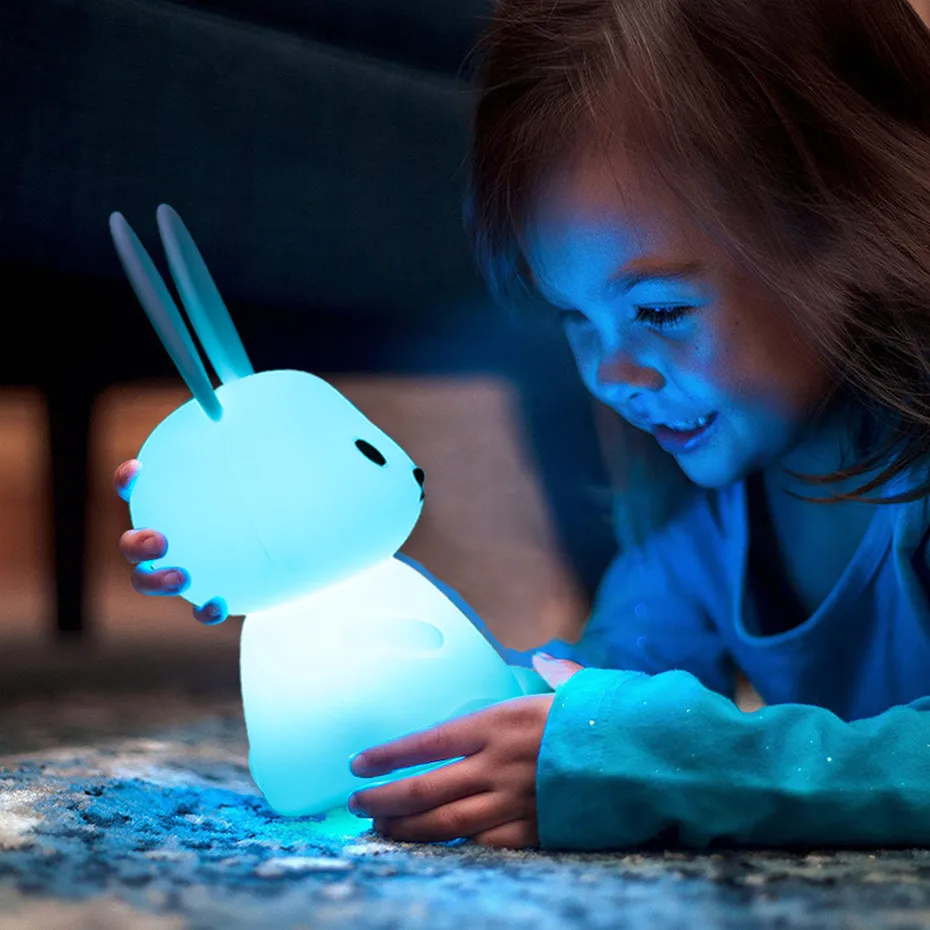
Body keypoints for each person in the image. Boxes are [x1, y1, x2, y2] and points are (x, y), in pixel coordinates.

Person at [114, 0, 930, 852]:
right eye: (573, 316)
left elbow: (660, 750)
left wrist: (681, 766)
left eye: (658, 310)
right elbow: (598, 691)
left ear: (848, 226)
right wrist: (304, 574)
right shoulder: (704, 507)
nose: (609, 374)